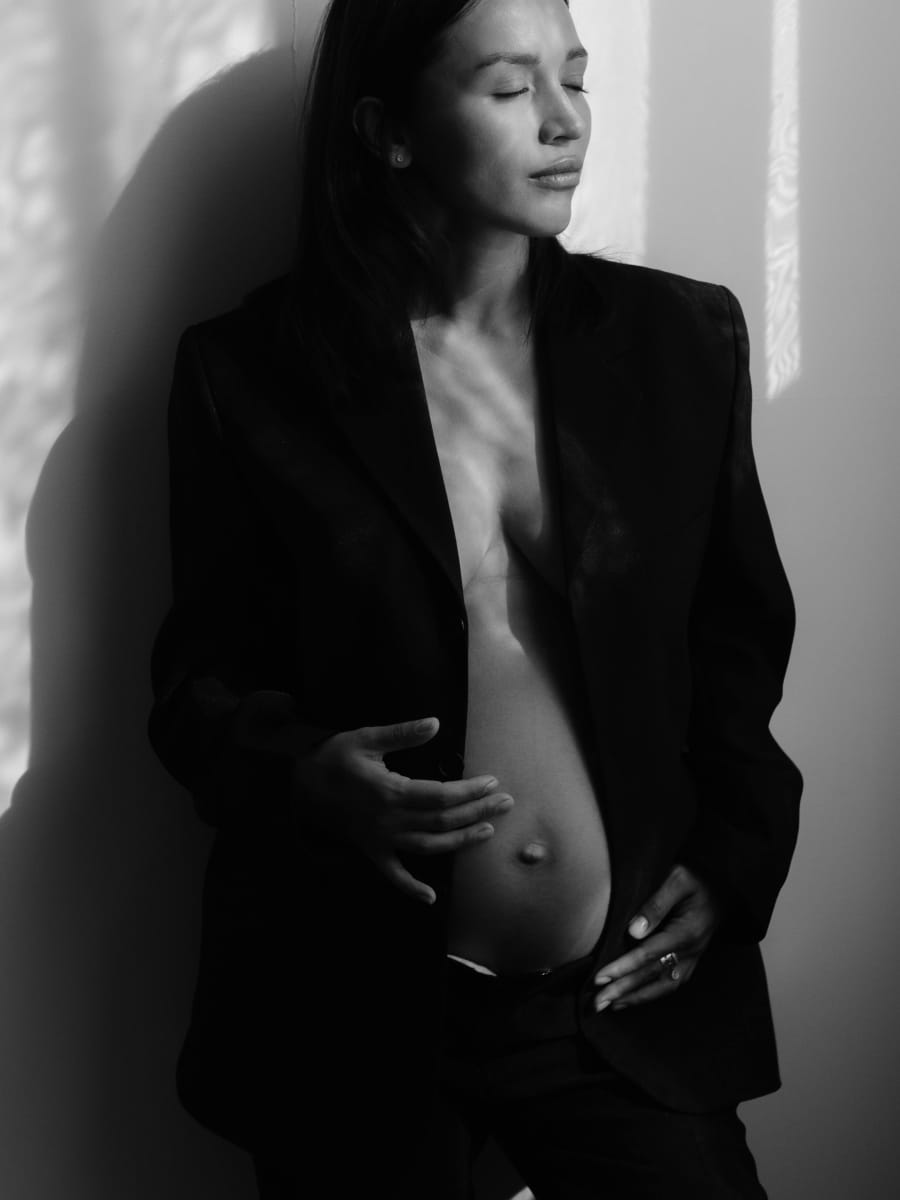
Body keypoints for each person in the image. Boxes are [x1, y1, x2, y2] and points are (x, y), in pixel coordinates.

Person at [148, 0, 802, 1195]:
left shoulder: (678, 340)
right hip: (361, 1014)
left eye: (576, 78)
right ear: (388, 131)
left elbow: (738, 646)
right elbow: (197, 689)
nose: (565, 122)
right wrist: (306, 775)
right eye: (510, 88)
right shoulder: (250, 376)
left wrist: (733, 863)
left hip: (616, 1013)